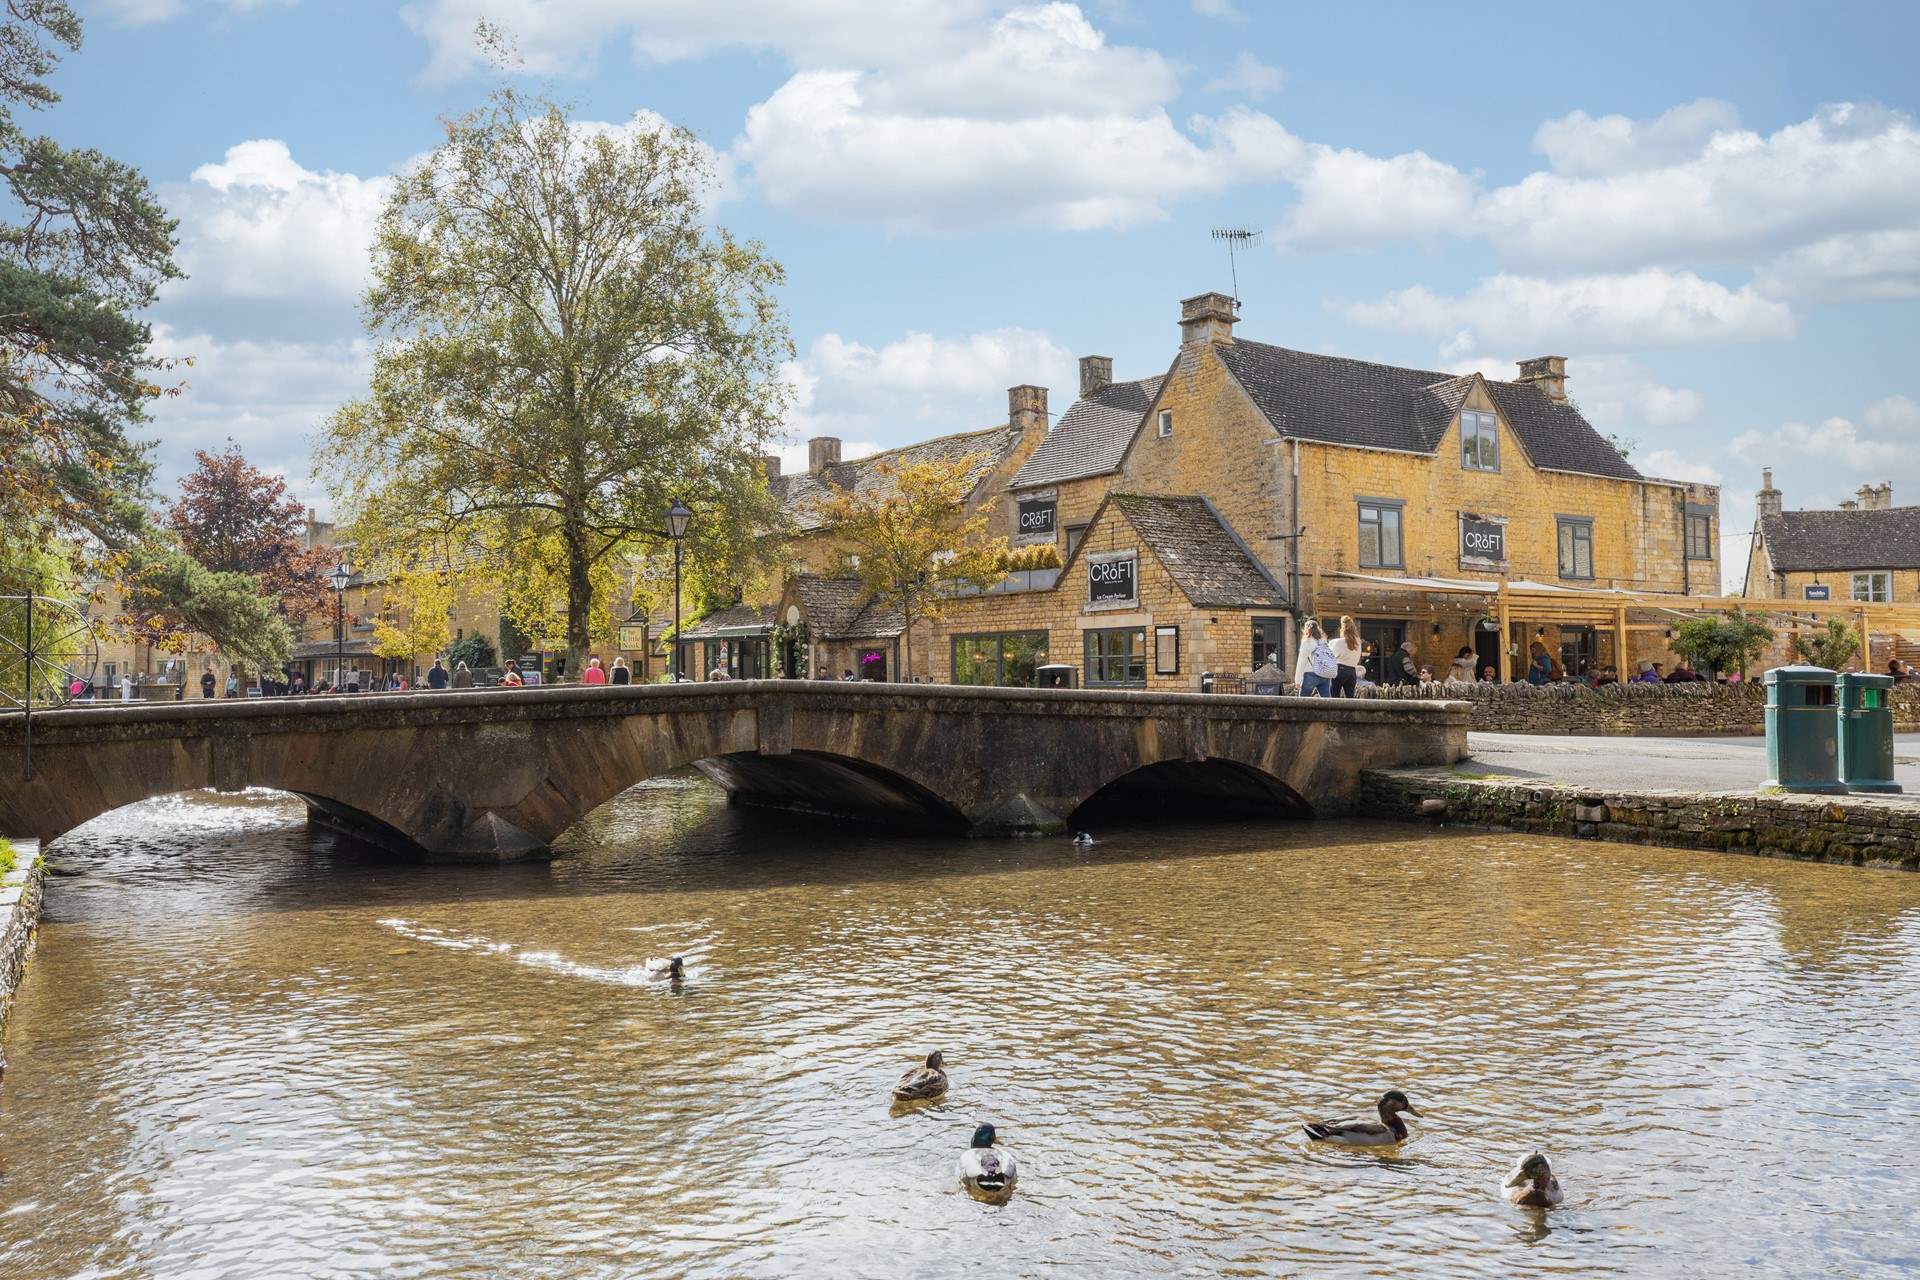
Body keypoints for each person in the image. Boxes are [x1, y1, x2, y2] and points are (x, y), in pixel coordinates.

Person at [1293, 619, 1337, 697]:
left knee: (1302, 702)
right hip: (1324, 674)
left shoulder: (1307, 642)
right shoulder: (1323, 641)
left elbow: (1301, 662)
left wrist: (1297, 680)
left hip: (1311, 674)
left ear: (1306, 630)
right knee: (1327, 702)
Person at [1331, 616, 1364, 698]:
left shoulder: (1338, 642)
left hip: (1339, 670)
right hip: (1352, 671)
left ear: (1342, 629)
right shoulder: (1358, 643)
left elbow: (1331, 656)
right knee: (1350, 698)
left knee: (1334, 697)